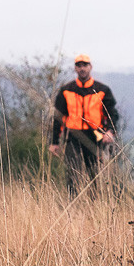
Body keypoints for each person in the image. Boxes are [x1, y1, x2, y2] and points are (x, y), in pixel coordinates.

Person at [49, 53, 119, 194]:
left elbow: (112, 114)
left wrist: (110, 131)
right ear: (75, 68)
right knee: (73, 173)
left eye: (85, 65)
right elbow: (58, 117)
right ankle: (73, 207)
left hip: (95, 137)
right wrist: (54, 141)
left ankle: (94, 207)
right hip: (73, 137)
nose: (82, 69)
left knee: (95, 175)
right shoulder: (66, 90)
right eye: (79, 65)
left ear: (90, 67)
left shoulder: (102, 90)